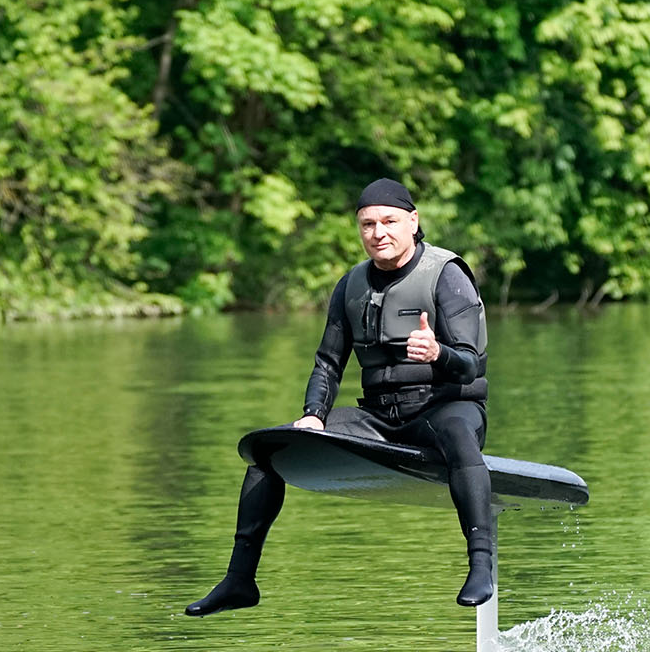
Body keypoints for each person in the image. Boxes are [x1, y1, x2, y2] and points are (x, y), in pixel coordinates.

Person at [187, 177, 495, 615]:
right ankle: (239, 579)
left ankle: (478, 563)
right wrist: (313, 415)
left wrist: (438, 351)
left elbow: (471, 363)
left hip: (445, 410)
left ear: (413, 221)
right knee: (271, 446)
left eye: (389, 221)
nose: (378, 233)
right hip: (380, 418)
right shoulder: (350, 286)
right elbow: (328, 364)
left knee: (459, 436)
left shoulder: (447, 275)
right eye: (368, 225)